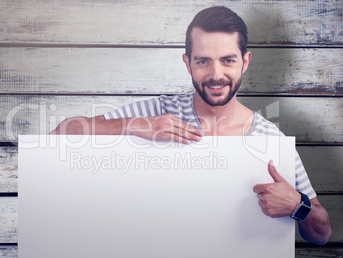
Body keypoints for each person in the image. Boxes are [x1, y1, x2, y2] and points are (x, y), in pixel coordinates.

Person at [50, 6, 331, 245]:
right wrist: (136, 125)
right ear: (188, 64)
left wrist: (299, 206)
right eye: (203, 61)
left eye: (228, 60)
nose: (216, 74)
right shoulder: (158, 112)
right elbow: (60, 134)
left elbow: (322, 234)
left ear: (244, 62)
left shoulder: (271, 139)